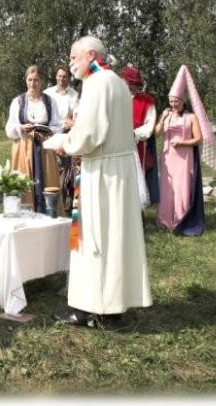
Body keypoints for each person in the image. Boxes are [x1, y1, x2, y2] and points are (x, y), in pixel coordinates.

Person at [53, 36, 152, 327]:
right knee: (114, 239)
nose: (70, 63)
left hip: (101, 173)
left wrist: (63, 143)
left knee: (93, 238)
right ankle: (112, 308)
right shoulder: (118, 83)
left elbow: (89, 136)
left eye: (74, 57)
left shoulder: (96, 83)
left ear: (91, 54)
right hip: (117, 171)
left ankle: (86, 309)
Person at [155, 65, 216, 236]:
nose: (173, 104)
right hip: (168, 157)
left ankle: (181, 220)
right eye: (171, 101)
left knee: (182, 188)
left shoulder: (191, 117)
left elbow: (198, 139)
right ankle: (165, 220)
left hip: (184, 158)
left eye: (176, 100)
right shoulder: (167, 116)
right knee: (167, 189)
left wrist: (182, 143)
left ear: (183, 100)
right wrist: (162, 117)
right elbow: (157, 133)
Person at [5, 65, 63, 214]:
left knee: (47, 179)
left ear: (41, 81)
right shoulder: (18, 101)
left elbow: (58, 125)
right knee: (25, 180)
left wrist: (48, 131)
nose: (32, 83)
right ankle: (26, 214)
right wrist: (20, 128)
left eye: (36, 80)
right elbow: (9, 128)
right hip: (24, 146)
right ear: (26, 81)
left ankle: (49, 214)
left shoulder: (50, 102)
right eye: (30, 80)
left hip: (45, 147)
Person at [119, 65, 160, 206]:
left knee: (137, 180)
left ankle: (138, 217)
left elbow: (149, 125)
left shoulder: (146, 101)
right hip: (116, 146)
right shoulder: (115, 99)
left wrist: (134, 134)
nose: (131, 86)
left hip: (138, 145)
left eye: (134, 83)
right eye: (128, 82)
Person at [44, 65, 79, 212]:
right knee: (48, 168)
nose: (61, 79)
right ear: (55, 77)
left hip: (66, 134)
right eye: (59, 76)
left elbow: (76, 117)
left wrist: (71, 122)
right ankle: (48, 202)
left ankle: (60, 204)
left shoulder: (74, 95)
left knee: (65, 170)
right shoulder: (47, 93)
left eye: (65, 76)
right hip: (48, 133)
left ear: (69, 78)